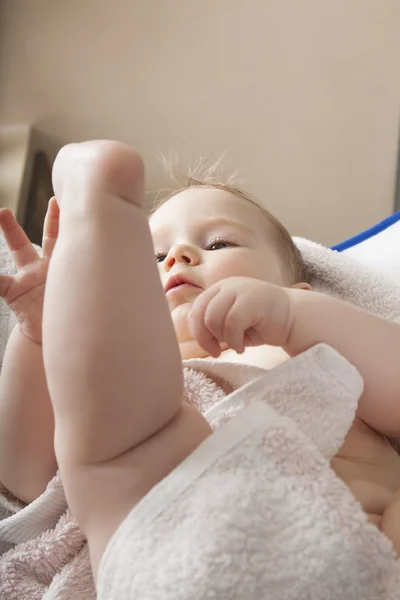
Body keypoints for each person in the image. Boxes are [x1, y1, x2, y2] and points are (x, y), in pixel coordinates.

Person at [0, 140, 400, 583]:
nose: (178, 256)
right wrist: (42, 335)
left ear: (298, 291)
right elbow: (26, 479)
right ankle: (102, 221)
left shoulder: (309, 345)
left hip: (364, 554)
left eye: (219, 243)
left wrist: (294, 317)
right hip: (174, 549)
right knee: (115, 436)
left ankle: (107, 214)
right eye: (149, 257)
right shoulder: (117, 379)